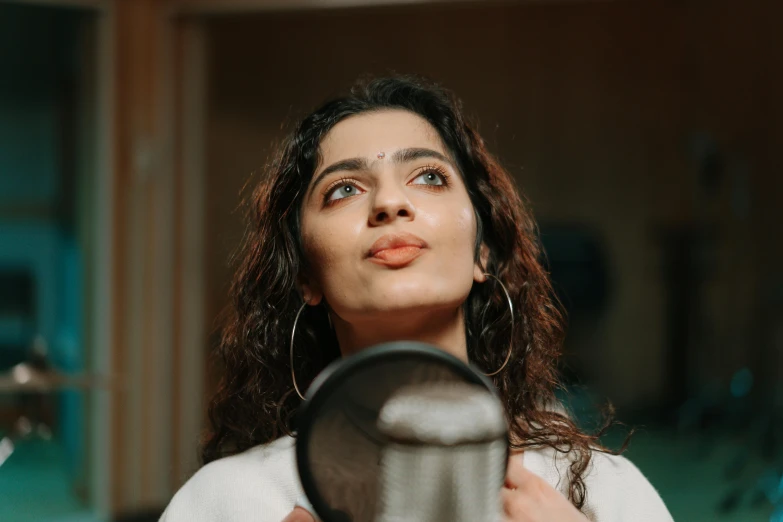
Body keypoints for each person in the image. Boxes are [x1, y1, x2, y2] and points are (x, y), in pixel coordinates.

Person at [160, 76, 674, 522]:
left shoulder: (602, 491)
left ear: (483, 254)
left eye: (429, 177)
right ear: (305, 276)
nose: (389, 203)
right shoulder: (227, 501)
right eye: (343, 189)